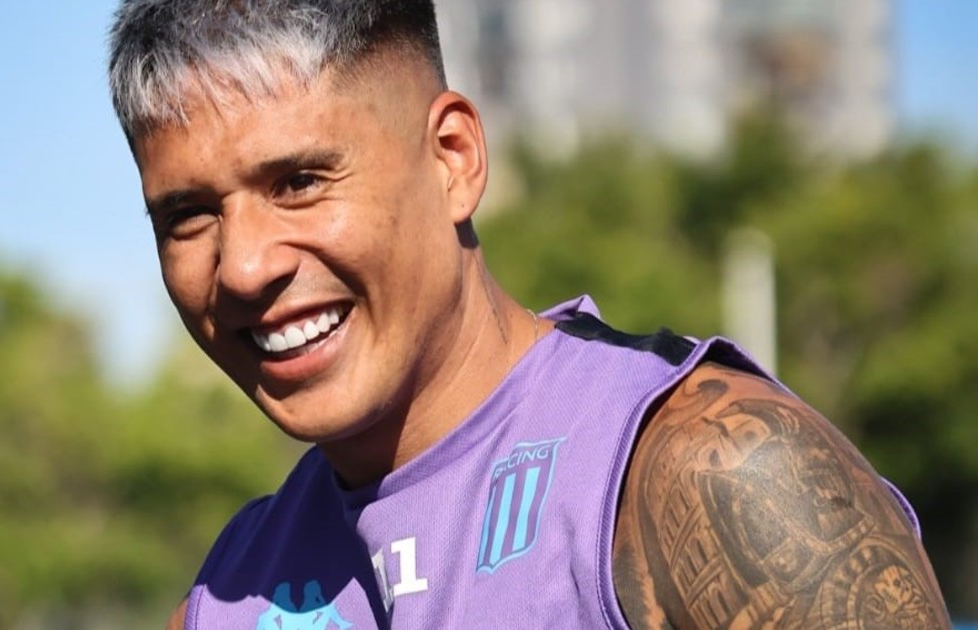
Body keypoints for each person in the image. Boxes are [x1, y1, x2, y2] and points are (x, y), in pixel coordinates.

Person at [106, 1, 950, 628]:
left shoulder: (709, 474)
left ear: (453, 160)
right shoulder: (228, 595)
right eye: (188, 216)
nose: (245, 267)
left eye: (299, 182)